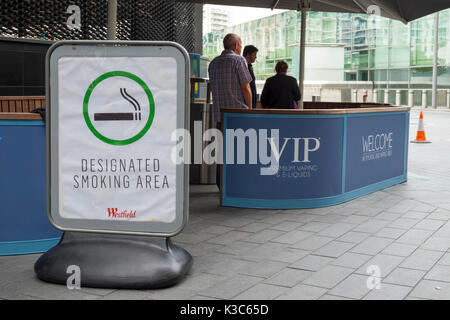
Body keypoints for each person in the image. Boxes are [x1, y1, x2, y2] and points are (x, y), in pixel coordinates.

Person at [208, 33, 253, 190]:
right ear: (235, 46)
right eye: (240, 45)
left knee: (223, 151)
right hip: (238, 113)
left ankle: (222, 185)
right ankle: (238, 185)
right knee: (240, 152)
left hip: (220, 115)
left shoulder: (213, 63)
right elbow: (246, 87)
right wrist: (250, 109)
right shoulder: (238, 60)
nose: (241, 47)